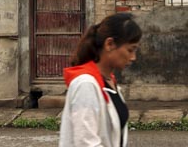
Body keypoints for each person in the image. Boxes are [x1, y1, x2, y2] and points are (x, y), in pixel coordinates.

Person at [59, 12, 142, 147]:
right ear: (109, 44)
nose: (133, 57)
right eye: (130, 50)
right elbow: (85, 143)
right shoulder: (85, 85)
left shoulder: (109, 82)